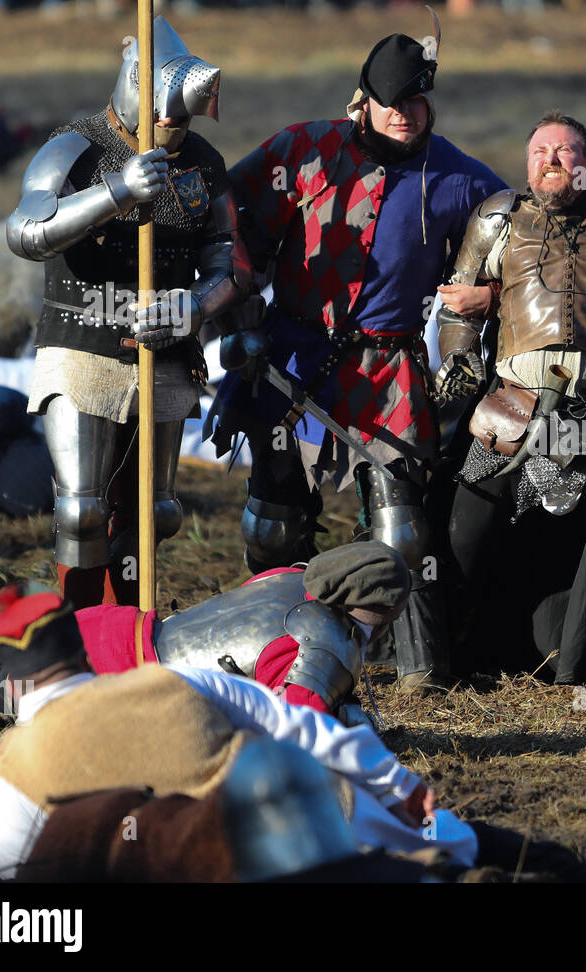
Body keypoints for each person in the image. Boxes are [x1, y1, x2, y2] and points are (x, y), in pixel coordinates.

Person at [207, 29, 506, 694]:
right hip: (292, 360)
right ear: (363, 101)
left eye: (418, 102)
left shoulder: (459, 178)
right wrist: (238, 318)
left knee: (399, 528)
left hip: (387, 370)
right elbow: (228, 233)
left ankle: (417, 667)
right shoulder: (302, 151)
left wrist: (488, 293)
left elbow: (523, 251)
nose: (406, 113)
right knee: (275, 523)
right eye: (391, 101)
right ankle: (279, 646)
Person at [0, 584, 477, 879]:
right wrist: (401, 788)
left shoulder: (13, 767)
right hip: (318, 837)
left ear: (17, 685)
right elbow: (308, 731)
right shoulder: (174, 679)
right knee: (464, 848)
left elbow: (11, 882)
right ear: (83, 652)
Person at [4, 18, 248, 610]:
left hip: (163, 344)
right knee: (82, 510)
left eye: (184, 121)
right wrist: (117, 191)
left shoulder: (200, 160)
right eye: (168, 117)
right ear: (138, 88)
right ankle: (80, 629)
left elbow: (231, 265)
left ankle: (129, 631)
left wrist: (195, 305)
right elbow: (26, 233)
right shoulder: (74, 147)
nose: (176, 129)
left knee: (154, 513)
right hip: (81, 340)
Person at [435, 112, 586, 695]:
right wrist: (460, 359)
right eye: (541, 150)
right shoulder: (498, 218)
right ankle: (452, 657)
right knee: (460, 541)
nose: (551, 160)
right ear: (526, 163)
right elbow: (453, 307)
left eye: (566, 152)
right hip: (511, 411)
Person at [73, 541, 409, 719]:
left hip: (111, 625)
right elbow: (303, 732)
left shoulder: (285, 577)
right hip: (116, 676)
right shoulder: (326, 642)